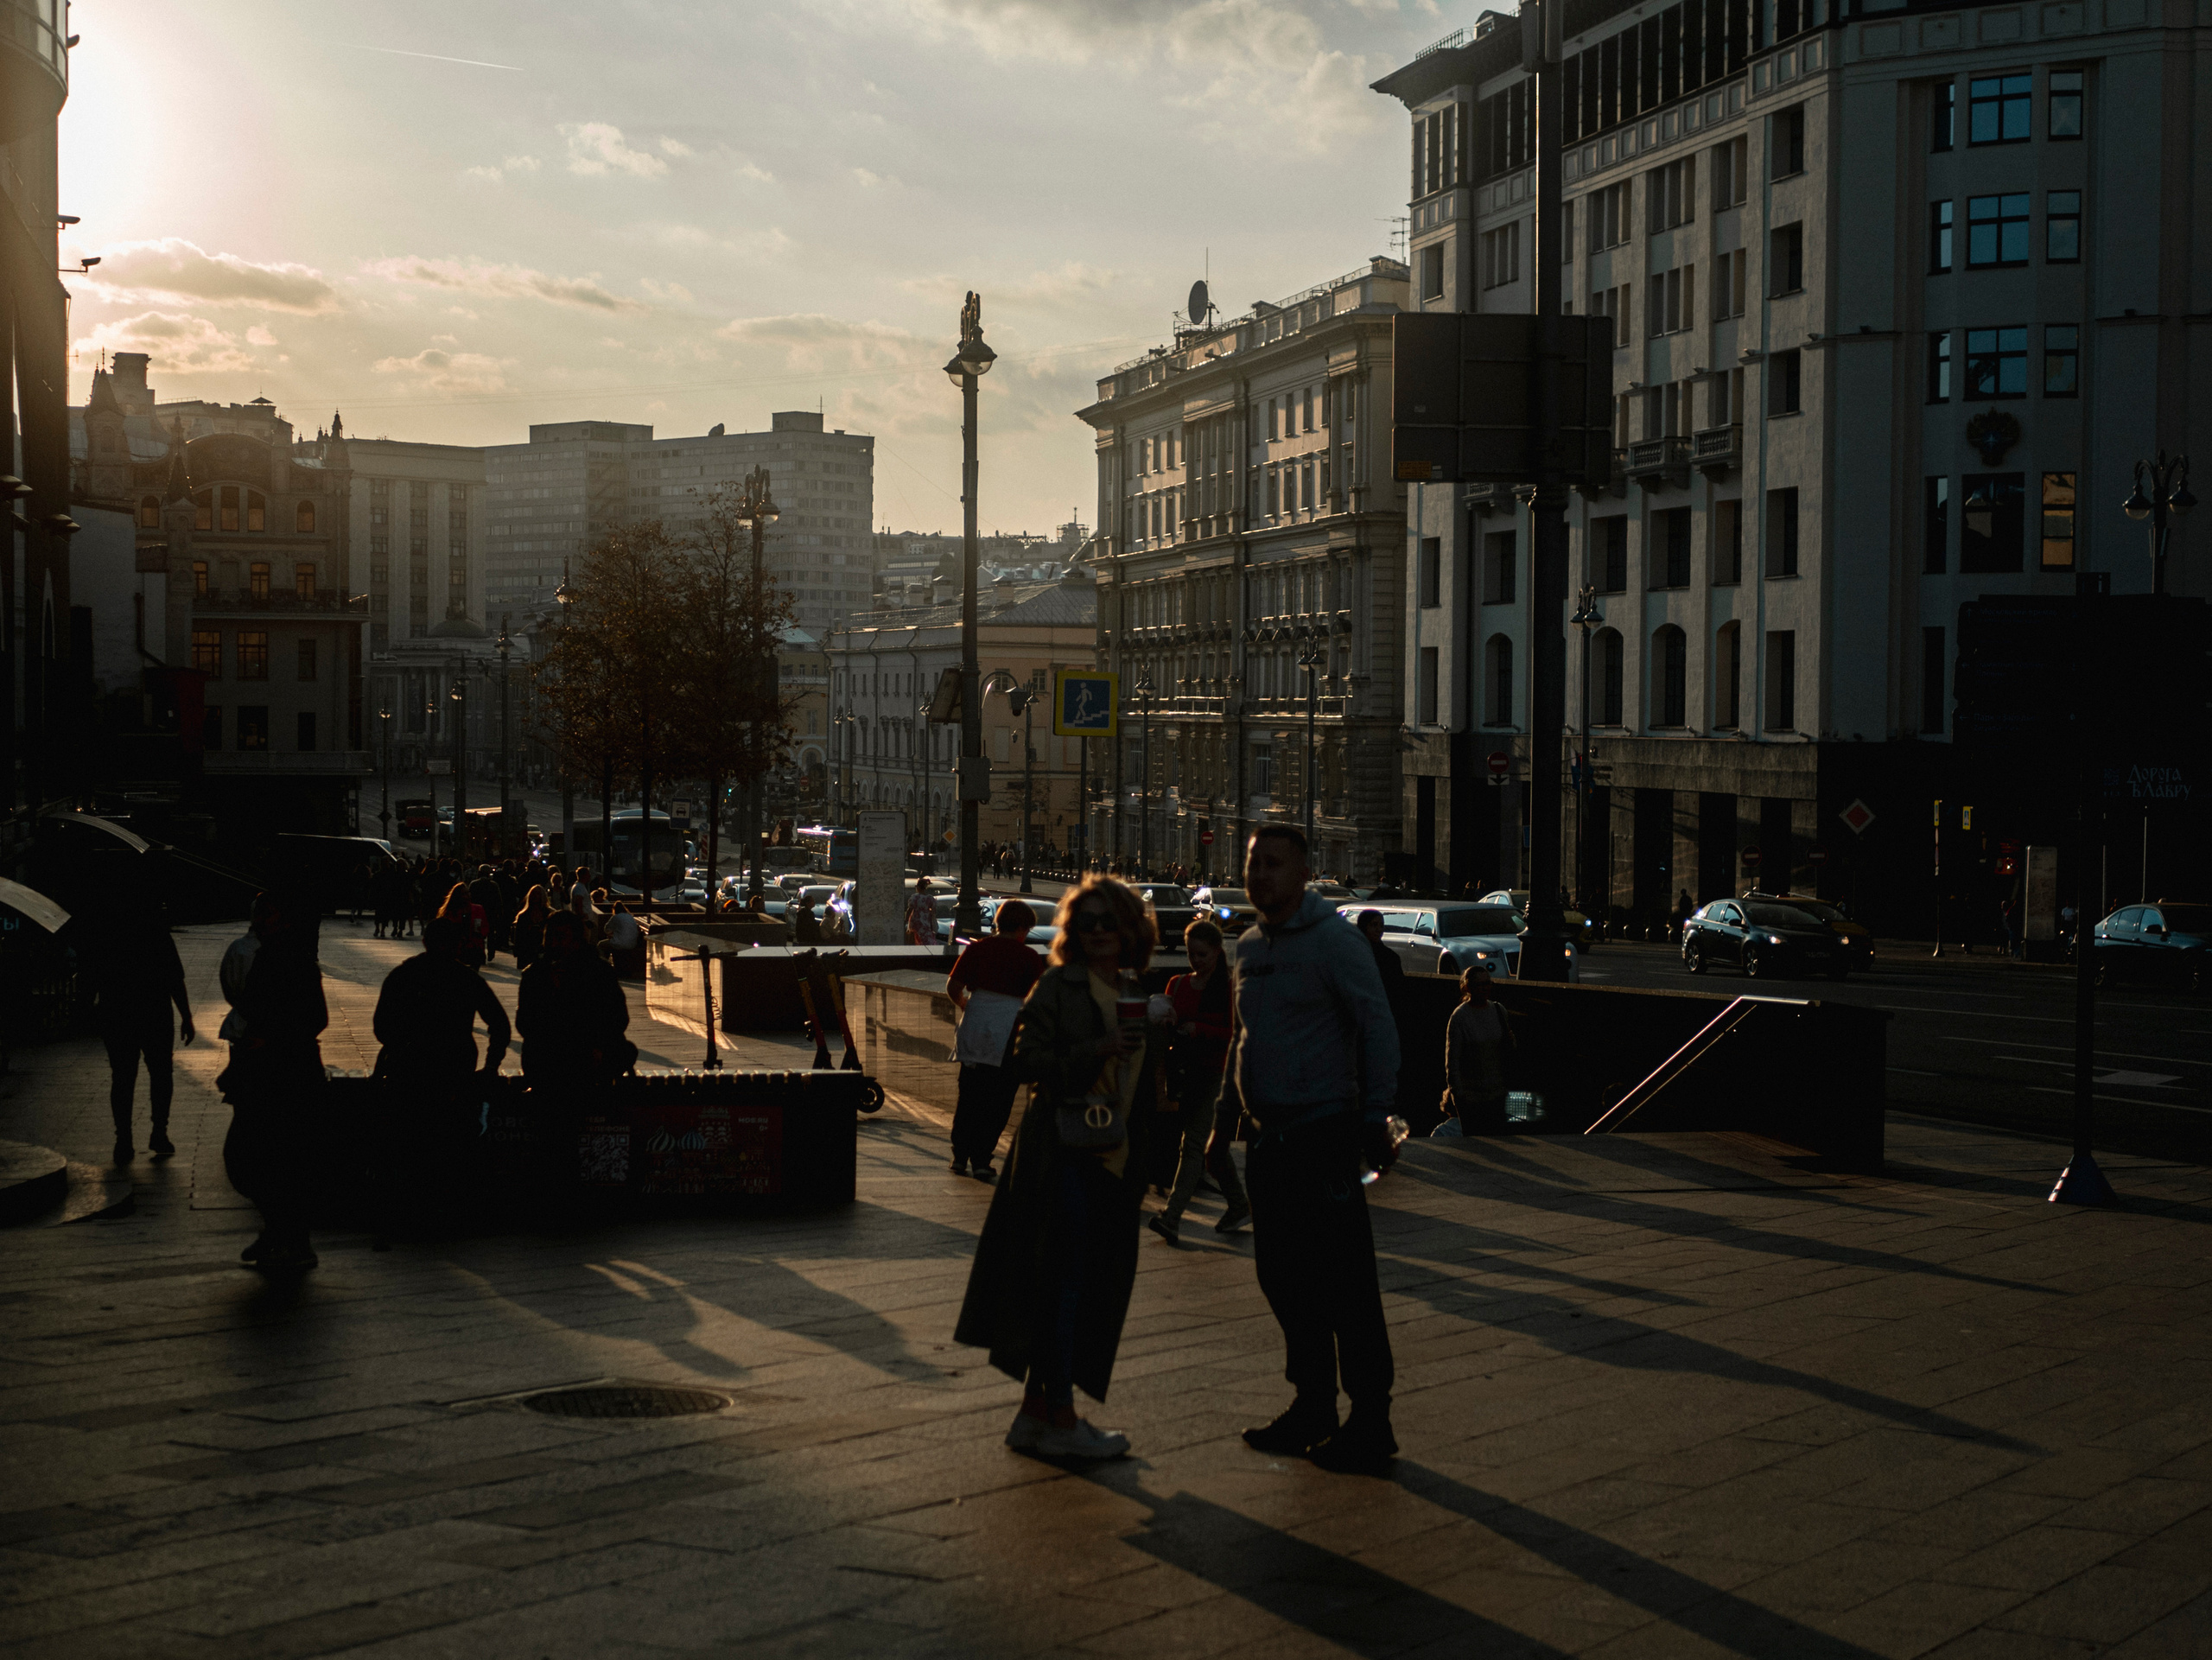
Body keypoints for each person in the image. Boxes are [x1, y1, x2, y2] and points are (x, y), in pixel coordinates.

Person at [955, 877, 1160, 1462]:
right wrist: (1097, 1048)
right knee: (1063, 1284)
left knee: (1085, 1284)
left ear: (1129, 929)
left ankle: (1035, 1414)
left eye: (1108, 921)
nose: (1096, 931)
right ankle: (1061, 1415)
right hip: (1065, 1151)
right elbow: (1023, 1060)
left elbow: (1141, 1084)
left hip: (1114, 1154)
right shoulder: (1057, 985)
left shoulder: (1130, 987)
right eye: (1085, 922)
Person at [1222, 823, 1402, 1472]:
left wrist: (1375, 1115)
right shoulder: (1248, 945)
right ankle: (1313, 1405)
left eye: (1273, 864)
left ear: (1303, 874)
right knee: (1282, 1278)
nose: (1260, 875)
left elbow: (1377, 1028)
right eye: (1253, 864)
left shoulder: (1335, 943)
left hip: (1324, 1133)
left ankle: (1371, 1417)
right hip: (1267, 1137)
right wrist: (1226, 1114)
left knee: (1344, 1282)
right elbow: (1242, 1040)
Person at [369, 918, 511, 1233]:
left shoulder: (403, 975)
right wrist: (489, 1066)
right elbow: (499, 1024)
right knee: (450, 1140)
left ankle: (411, 1204)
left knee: (411, 1139)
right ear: (459, 946)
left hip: (410, 1070)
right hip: (454, 1071)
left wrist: (402, 1046)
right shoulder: (466, 978)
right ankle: (447, 1204)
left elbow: (381, 1026)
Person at [216, 891, 328, 1272]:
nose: (262, 923)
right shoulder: (271, 956)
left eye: (269, 916)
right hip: (272, 1070)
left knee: (268, 1157)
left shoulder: (291, 959)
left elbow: (314, 1017)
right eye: (259, 917)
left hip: (283, 1072)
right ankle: (282, 1232)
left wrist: (270, 1037)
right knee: (266, 1158)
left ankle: (288, 1235)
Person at [79, 881, 197, 1166]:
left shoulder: (106, 936)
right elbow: (175, 978)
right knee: (161, 1074)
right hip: (155, 1013)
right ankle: (159, 1132)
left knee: (122, 1078)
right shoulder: (157, 934)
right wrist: (186, 1016)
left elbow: (91, 978)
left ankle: (124, 1140)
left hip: (117, 1014)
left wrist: (86, 1012)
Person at [1148, 918, 1247, 1241]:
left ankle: (1171, 1217)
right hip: (1186, 1072)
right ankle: (1238, 1204)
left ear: (1218, 953)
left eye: (1202, 955)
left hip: (1218, 1075)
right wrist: (1165, 1020)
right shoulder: (1176, 984)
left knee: (1191, 1145)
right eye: (1192, 954)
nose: (1195, 961)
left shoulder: (1229, 988)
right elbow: (1166, 1029)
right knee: (1209, 1149)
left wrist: (1199, 1029)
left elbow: (1236, 1034)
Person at [944, 899, 1040, 1180]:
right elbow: (1035, 999)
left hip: (975, 1026)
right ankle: (982, 1161)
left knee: (969, 1097)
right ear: (1022, 927)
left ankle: (959, 1157)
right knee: (998, 1102)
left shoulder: (976, 949)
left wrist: (964, 1004)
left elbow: (953, 986)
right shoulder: (1029, 957)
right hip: (1009, 1032)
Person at [1444, 964, 1513, 1132]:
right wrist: (1458, 1097)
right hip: (1471, 1099)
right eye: (1480, 984)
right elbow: (1452, 1062)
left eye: (1488, 983)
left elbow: (1509, 1047)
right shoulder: (1460, 1017)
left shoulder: (1498, 1010)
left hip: (1498, 1094)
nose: (1485, 988)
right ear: (1468, 987)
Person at [511, 884, 550, 973]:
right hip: (527, 950)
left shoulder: (548, 914)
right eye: (534, 894)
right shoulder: (523, 915)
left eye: (538, 894)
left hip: (543, 950)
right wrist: (517, 951)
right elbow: (518, 936)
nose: (536, 896)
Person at [906, 878, 939, 946]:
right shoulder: (930, 898)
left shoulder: (915, 897)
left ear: (918, 887)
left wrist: (906, 920)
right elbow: (934, 912)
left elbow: (910, 910)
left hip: (916, 920)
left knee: (915, 938)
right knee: (926, 937)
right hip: (926, 921)